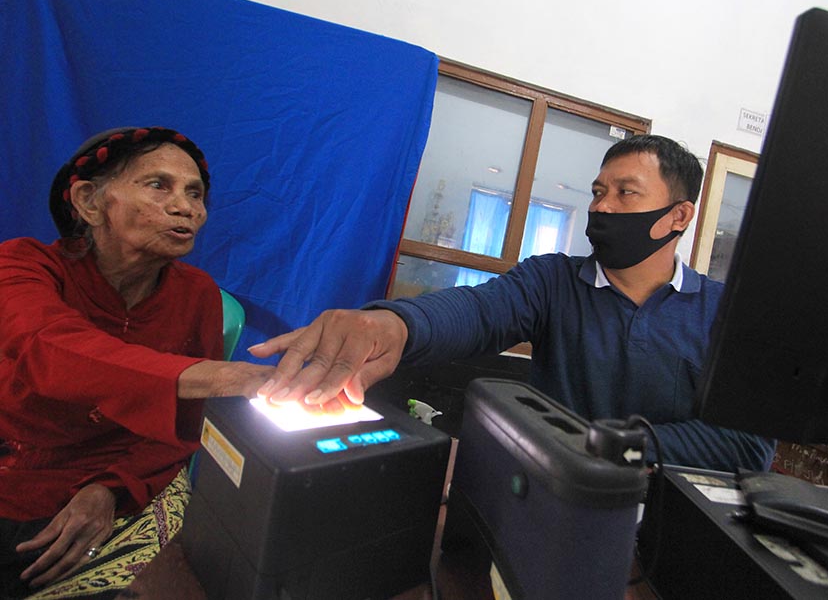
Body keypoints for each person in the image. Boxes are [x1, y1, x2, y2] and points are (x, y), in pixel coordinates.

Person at [252, 134, 774, 472]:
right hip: (547, 509)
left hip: (666, 539)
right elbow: (478, 311)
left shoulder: (721, 314)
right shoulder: (553, 281)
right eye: (597, 191)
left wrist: (614, 446)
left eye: (625, 193)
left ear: (678, 216)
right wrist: (394, 324)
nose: (601, 206)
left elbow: (750, 445)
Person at [0, 127, 274, 598]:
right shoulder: (22, 265)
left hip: (131, 480)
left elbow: (187, 427)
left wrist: (111, 489)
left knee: (183, 575)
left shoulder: (197, 295)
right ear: (89, 201)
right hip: (19, 474)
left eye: (195, 193)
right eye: (158, 185)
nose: (186, 207)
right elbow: (44, 345)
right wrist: (218, 375)